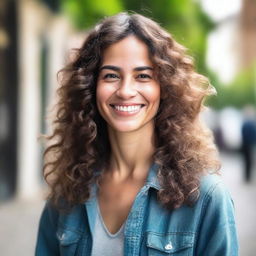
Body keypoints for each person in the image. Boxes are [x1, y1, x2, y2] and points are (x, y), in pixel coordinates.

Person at [35, 12, 238, 255]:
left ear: (164, 87)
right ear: (91, 86)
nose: (125, 90)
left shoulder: (206, 197)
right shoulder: (68, 192)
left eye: (143, 76)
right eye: (111, 75)